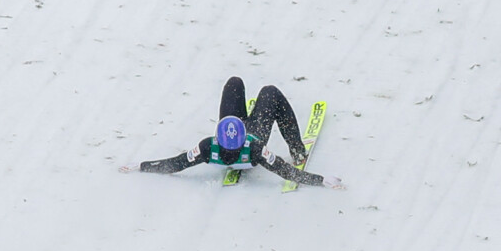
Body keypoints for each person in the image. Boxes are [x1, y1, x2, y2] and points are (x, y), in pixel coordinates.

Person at [121, 76, 343, 188]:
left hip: (240, 129)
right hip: (257, 131)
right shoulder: (255, 149)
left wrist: (141, 166)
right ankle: (298, 151)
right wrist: (322, 180)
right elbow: (287, 172)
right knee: (270, 92)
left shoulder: (208, 147)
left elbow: (176, 164)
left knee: (234, 82)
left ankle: (245, 113)